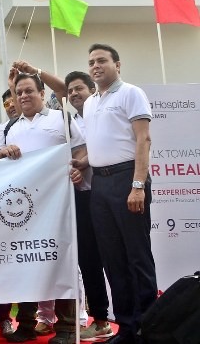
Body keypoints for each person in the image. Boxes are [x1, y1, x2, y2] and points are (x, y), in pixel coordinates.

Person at [0, 73, 86, 344]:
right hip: (21, 209)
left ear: (42, 93)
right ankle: (26, 324)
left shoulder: (61, 118)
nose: (23, 96)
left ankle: (67, 327)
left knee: (63, 261)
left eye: (29, 91)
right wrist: (3, 152)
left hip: (58, 203)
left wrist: (78, 168)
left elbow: (80, 151)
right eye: (19, 92)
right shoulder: (10, 127)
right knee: (26, 262)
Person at [81, 44, 156, 344]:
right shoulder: (90, 102)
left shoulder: (131, 93)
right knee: (112, 261)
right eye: (91, 62)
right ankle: (126, 327)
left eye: (102, 60)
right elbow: (101, 143)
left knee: (137, 257)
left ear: (118, 65)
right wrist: (82, 163)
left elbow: (143, 139)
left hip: (128, 180)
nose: (96, 66)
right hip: (99, 185)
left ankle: (147, 328)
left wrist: (138, 185)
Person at [65, 70, 113, 341]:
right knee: (89, 261)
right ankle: (101, 319)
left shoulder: (105, 114)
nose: (74, 94)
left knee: (115, 259)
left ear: (92, 89)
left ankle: (132, 316)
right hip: (82, 198)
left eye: (79, 88)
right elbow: (73, 156)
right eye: (70, 90)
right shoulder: (69, 122)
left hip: (109, 194)